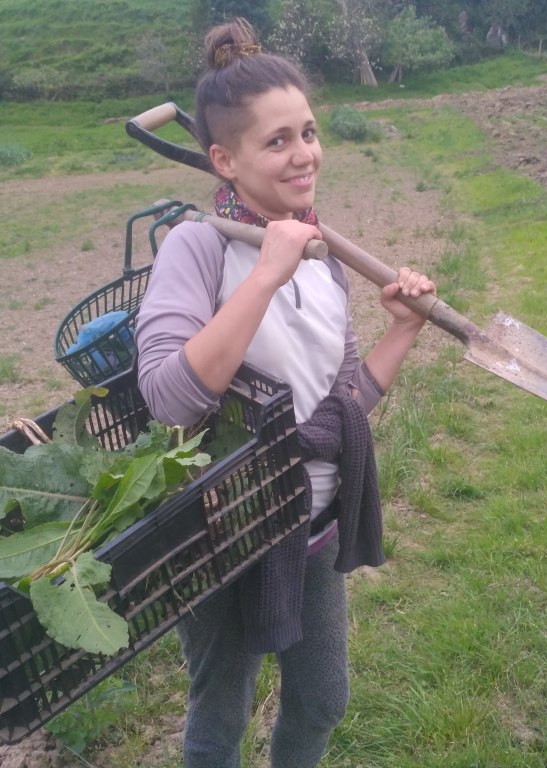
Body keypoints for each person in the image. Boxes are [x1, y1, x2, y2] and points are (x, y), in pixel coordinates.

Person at [134, 17, 436, 768]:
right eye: (277, 141)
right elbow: (168, 399)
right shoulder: (198, 248)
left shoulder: (322, 255)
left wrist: (402, 329)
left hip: (314, 523)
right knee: (221, 714)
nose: (304, 155)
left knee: (322, 699)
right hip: (223, 531)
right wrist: (267, 273)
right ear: (224, 159)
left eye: (308, 132)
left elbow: (341, 407)